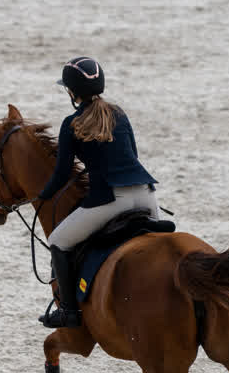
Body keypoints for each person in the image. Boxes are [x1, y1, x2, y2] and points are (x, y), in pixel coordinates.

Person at [34, 56, 161, 328]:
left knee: (58, 241)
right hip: (147, 195)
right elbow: (132, 155)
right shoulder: (119, 114)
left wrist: (42, 195)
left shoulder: (71, 124)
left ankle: (68, 311)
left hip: (111, 200)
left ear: (72, 92)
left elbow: (61, 174)